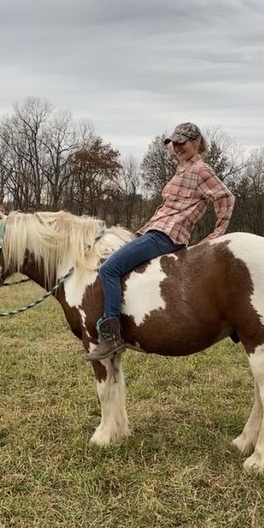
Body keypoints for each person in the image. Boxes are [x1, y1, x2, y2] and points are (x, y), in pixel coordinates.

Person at [86, 122, 235, 361]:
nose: (177, 147)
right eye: (174, 143)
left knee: (109, 269)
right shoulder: (182, 169)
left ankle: (111, 335)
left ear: (196, 142)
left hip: (166, 236)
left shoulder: (201, 170)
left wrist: (217, 234)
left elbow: (226, 198)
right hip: (154, 232)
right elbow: (167, 209)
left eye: (182, 143)